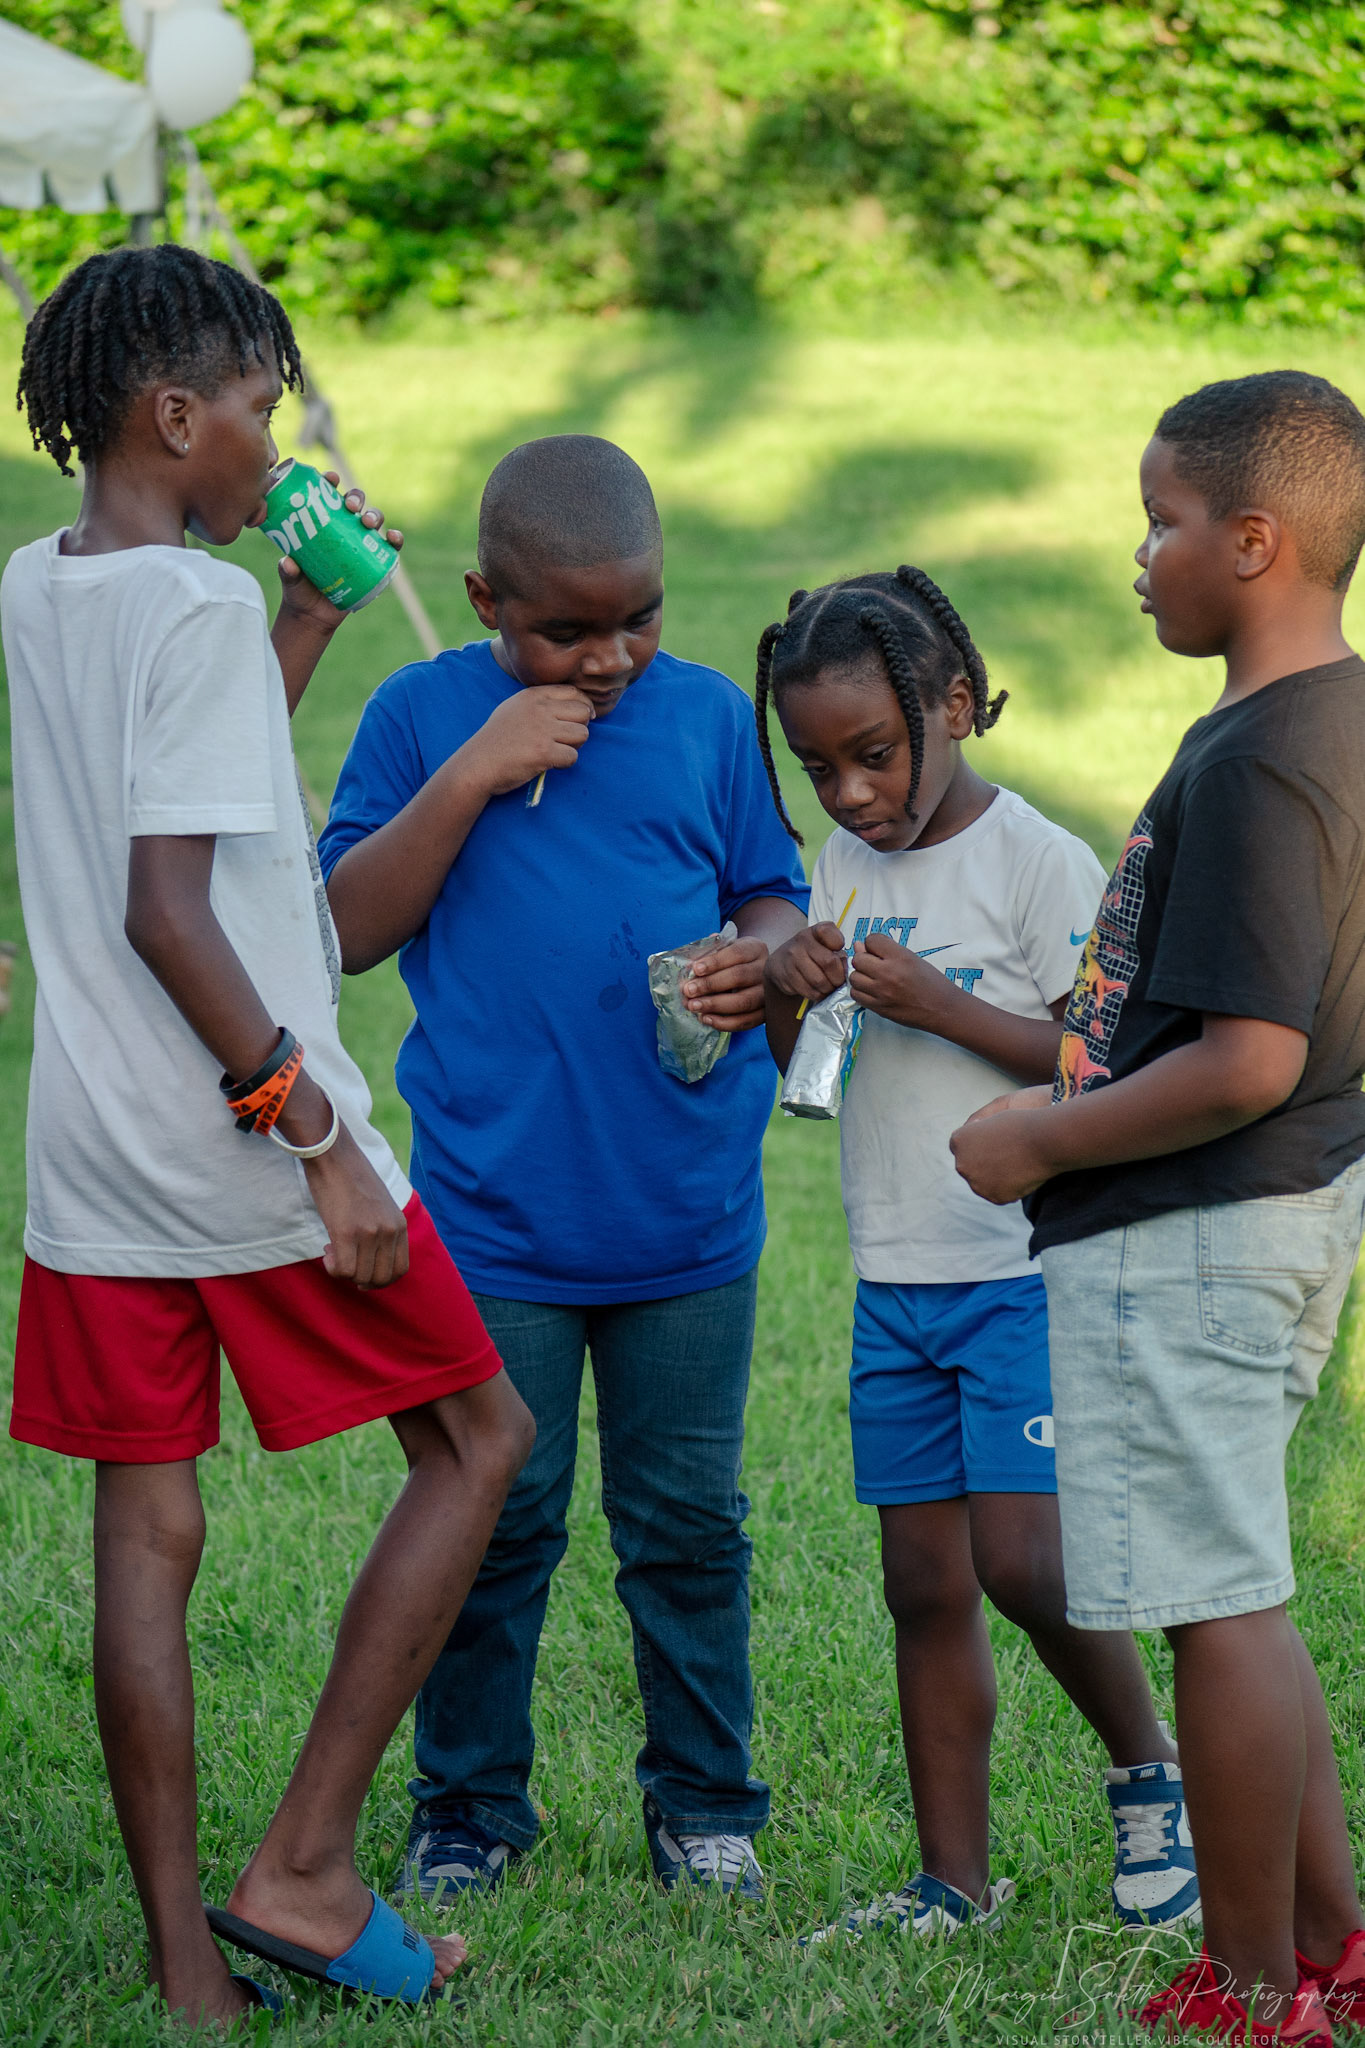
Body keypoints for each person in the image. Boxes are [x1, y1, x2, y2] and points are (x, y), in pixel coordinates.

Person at [4, 244, 535, 2028]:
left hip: (91, 1160)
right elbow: (171, 909)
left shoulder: (44, 582)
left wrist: (301, 615)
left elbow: (178, 793)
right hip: (240, 1144)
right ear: (175, 416)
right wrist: (312, 1130)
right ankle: (303, 1865)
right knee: (480, 1435)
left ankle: (187, 1972)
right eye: (257, 408)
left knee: (145, 1540)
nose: (275, 442)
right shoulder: (195, 609)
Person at [319, 435, 809, 1903]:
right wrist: (471, 773)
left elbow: (772, 893)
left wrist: (760, 957)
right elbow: (343, 927)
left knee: (687, 1528)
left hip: (686, 1218)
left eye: (637, 618)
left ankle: (706, 1804)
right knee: (491, 1520)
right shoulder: (419, 715)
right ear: (485, 602)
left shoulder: (706, 716)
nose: (609, 658)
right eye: (566, 630)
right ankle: (468, 1806)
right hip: (494, 1225)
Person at [951, 371, 1365, 2045]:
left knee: (1216, 1609)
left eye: (1159, 522)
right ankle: (1329, 1947)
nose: (1137, 556)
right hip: (1276, 1218)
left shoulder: (1262, 757)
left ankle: (1253, 1993)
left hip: (1192, 1231)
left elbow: (1248, 1057)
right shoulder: (1332, 719)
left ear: (1252, 541)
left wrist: (1041, 1142)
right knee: (1236, 1589)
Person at [755, 568, 1198, 1941]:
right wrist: (788, 992)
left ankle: (1150, 1773)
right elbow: (805, 1065)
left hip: (1017, 1270)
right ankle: (951, 1881)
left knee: (1021, 1560)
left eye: (873, 755)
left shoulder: (1033, 859)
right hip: (893, 1276)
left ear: (954, 706)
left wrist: (944, 1004)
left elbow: (1100, 1061)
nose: (848, 794)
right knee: (923, 1583)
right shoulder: (843, 866)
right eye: (817, 769)